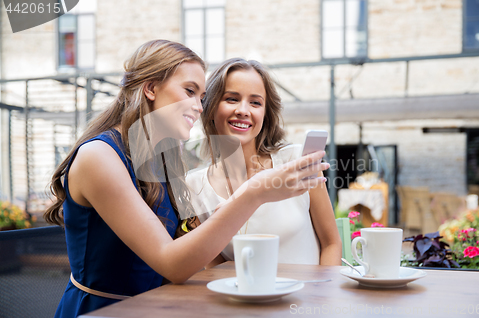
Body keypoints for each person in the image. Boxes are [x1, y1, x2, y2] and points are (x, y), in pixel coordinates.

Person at [43, 40, 329, 317]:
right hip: (106, 311)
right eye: (190, 91)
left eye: (201, 97)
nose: (199, 106)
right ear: (151, 88)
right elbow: (171, 263)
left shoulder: (161, 162)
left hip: (161, 307)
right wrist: (254, 192)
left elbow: (194, 257)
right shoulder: (99, 157)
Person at [186, 58, 342, 266]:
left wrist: (322, 295)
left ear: (265, 114)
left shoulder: (296, 162)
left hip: (307, 297)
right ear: (210, 106)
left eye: (255, 102)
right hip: (244, 297)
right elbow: (216, 267)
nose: (243, 110)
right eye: (232, 99)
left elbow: (331, 243)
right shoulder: (193, 187)